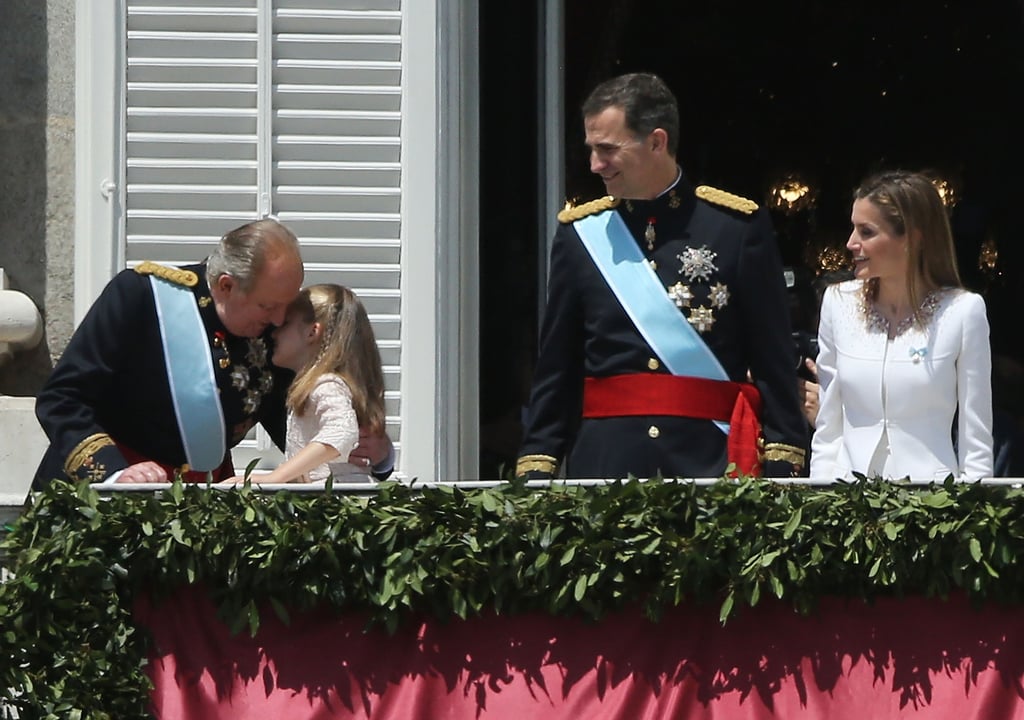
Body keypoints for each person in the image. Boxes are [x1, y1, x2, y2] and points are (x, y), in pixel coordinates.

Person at [515, 72, 808, 480]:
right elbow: (557, 365)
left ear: (656, 141)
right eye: (592, 150)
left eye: (607, 150)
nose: (595, 165)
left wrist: (782, 457)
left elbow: (771, 358)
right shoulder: (580, 235)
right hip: (607, 465)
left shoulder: (736, 228)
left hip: (710, 463)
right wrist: (539, 461)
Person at [33, 219, 394, 487]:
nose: (280, 320)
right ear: (226, 286)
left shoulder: (272, 334)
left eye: (286, 307)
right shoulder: (143, 298)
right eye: (268, 306)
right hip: (104, 496)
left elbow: (301, 430)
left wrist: (373, 455)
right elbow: (62, 400)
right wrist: (113, 472)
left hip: (201, 511)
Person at [810, 170, 993, 481]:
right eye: (853, 229)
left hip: (933, 504)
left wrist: (973, 513)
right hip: (845, 500)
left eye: (866, 232)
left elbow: (975, 441)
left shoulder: (963, 312)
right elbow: (828, 428)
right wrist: (820, 494)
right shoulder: (837, 303)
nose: (851, 243)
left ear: (912, 239)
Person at [222, 284, 386, 484]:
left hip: (334, 500)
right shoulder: (317, 384)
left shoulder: (326, 384)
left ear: (312, 332)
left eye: (286, 324)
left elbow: (342, 431)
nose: (273, 333)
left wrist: (275, 477)